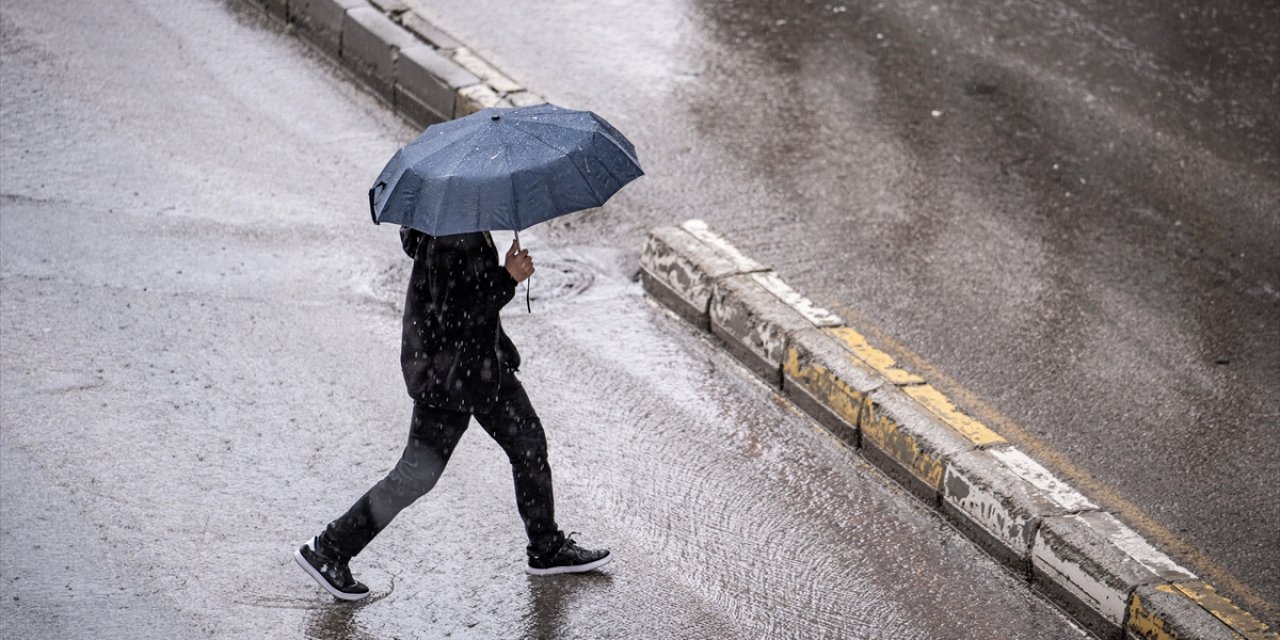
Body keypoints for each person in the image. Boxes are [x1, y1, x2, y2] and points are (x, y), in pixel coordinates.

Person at [294, 227, 610, 601]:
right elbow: (457, 317)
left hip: (482, 367)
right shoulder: (449, 236)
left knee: (528, 444)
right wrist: (508, 278)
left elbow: (467, 300)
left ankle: (546, 547)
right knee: (415, 475)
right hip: (448, 376)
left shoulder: (462, 225)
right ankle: (329, 549)